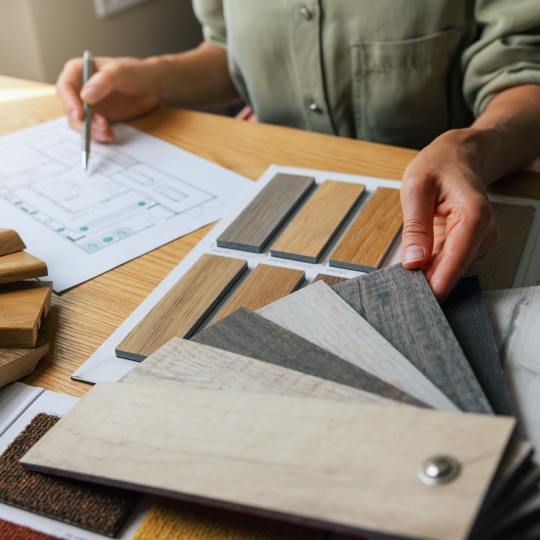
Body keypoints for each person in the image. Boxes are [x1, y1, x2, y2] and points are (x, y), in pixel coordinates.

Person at [56, 1, 540, 302]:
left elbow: (521, 73)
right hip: (268, 189)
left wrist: (472, 147)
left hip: (443, 209)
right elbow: (231, 52)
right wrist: (151, 77)